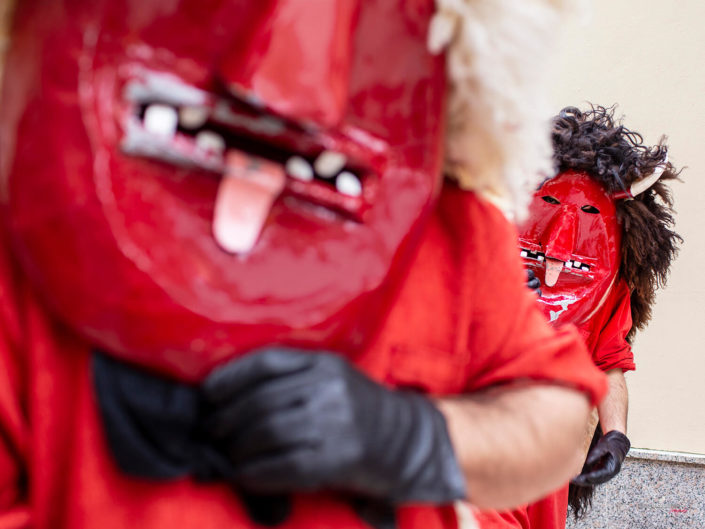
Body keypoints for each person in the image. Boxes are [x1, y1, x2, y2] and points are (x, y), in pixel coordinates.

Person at [0, 3, 606, 529]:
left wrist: (406, 436)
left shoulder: (449, 228)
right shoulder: (24, 232)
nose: (278, 87)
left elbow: (556, 415)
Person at [475, 105, 681, 529]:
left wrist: (616, 437)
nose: (557, 251)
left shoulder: (612, 291)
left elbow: (610, 363)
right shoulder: (472, 260)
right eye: (549, 204)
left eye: (589, 216)